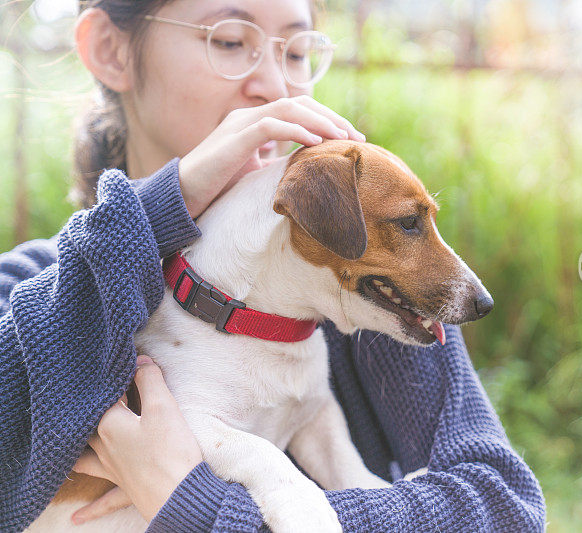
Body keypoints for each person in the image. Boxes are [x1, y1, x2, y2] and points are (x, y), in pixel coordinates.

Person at [0, 0, 546, 531]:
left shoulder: (356, 282)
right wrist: (163, 206)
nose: (276, 86)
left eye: (298, 51)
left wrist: (201, 506)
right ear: (110, 49)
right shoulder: (26, 287)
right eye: (231, 41)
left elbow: (506, 507)